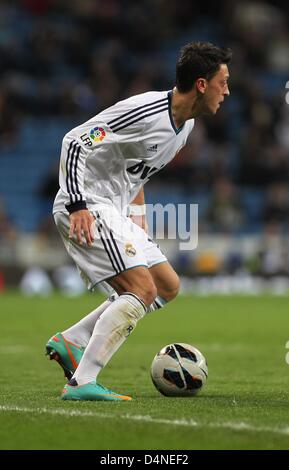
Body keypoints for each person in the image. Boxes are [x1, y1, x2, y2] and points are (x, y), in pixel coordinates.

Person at [46, 41, 231, 401]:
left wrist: (138, 225)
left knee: (166, 285)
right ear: (201, 84)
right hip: (87, 206)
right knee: (141, 289)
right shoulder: (144, 111)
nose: (227, 91)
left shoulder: (185, 128)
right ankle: (82, 382)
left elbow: (137, 176)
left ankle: (72, 341)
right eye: (223, 82)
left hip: (114, 211)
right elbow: (75, 141)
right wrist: (78, 205)